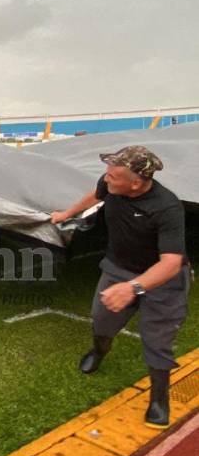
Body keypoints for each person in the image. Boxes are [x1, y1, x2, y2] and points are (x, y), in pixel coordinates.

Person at [50, 146, 190, 429]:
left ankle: (159, 399)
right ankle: (98, 351)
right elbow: (97, 193)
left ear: (136, 183)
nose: (106, 178)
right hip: (117, 269)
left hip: (164, 281)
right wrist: (67, 213)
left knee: (158, 341)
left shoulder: (167, 206)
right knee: (101, 322)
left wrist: (133, 288)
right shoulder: (110, 184)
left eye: (114, 176)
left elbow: (172, 262)